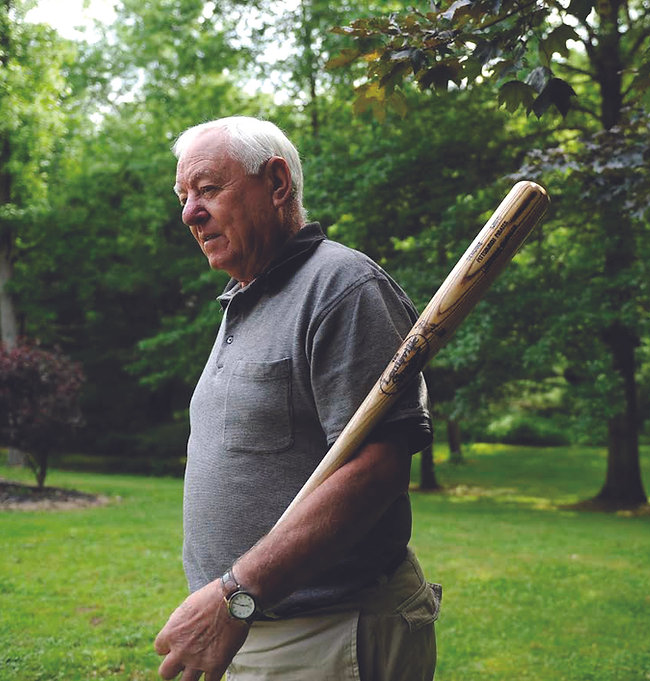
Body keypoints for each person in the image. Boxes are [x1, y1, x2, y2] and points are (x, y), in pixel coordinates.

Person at [154, 116, 440, 681]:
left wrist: (237, 592)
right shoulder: (245, 298)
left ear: (277, 183)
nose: (189, 212)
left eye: (208, 189)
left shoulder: (342, 287)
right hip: (251, 630)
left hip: (330, 636)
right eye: (184, 196)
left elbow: (376, 471)